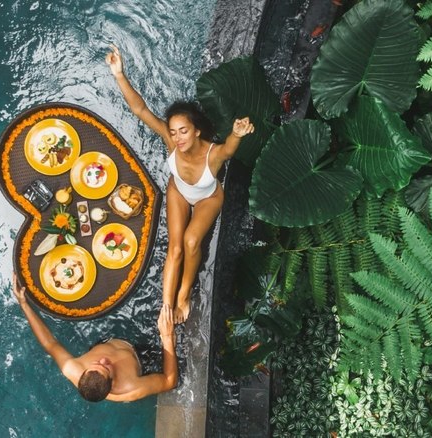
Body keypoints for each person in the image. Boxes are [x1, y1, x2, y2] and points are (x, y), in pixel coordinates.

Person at [105, 44, 254, 324]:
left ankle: (183, 295)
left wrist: (236, 133)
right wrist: (119, 75)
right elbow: (140, 109)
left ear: (197, 131)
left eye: (183, 131)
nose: (178, 138)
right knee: (174, 248)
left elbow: (230, 150)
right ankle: (166, 306)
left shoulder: (212, 154)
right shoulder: (170, 141)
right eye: (173, 132)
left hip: (208, 197)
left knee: (190, 241)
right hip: (178, 192)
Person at [13, 275, 177, 402]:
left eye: (97, 363)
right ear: (112, 382)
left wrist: (24, 305)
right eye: (106, 367)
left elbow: (49, 343)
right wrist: (167, 337)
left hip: (114, 337)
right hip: (142, 356)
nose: (104, 360)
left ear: (84, 371)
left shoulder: (72, 368)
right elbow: (170, 382)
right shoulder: (131, 388)